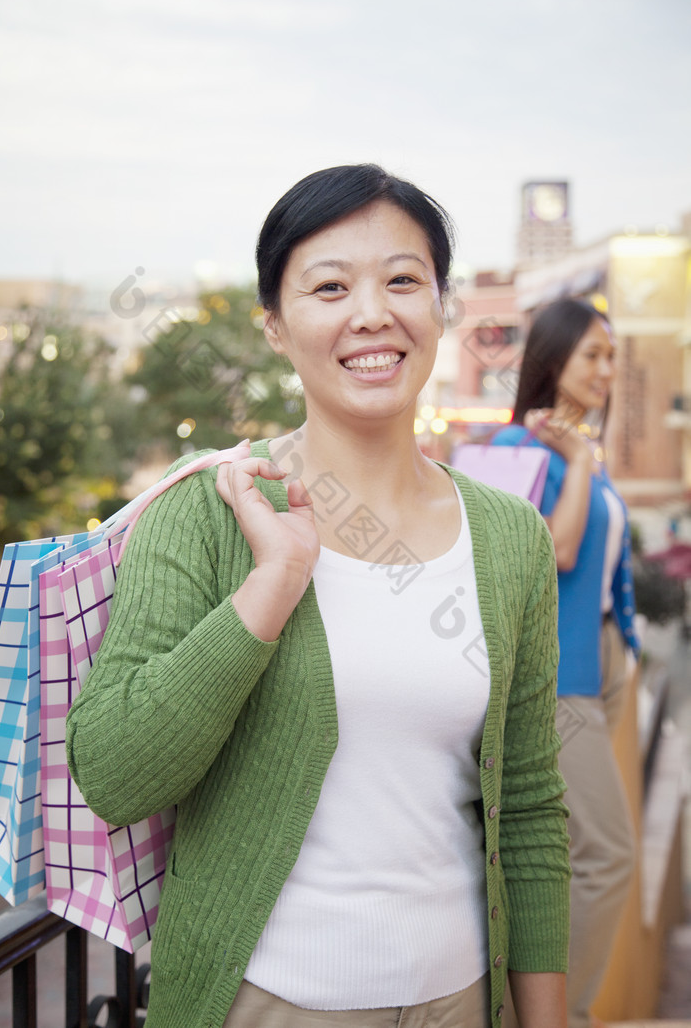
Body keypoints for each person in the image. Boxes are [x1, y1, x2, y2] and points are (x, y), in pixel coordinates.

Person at [66, 164, 570, 1028]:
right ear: (274, 325)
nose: (371, 314)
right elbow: (115, 772)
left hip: (458, 1001)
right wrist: (270, 587)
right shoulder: (207, 511)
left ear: (441, 307)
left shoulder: (510, 537)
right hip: (264, 1005)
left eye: (403, 281)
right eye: (330, 286)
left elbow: (526, 805)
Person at [492, 298, 640, 1028]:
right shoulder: (515, 449)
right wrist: (580, 463)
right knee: (607, 856)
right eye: (592, 355)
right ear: (551, 360)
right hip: (558, 678)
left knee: (569, 852)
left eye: (611, 356)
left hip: (602, 664)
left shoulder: (580, 447)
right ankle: (554, 1018)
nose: (606, 371)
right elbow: (555, 552)